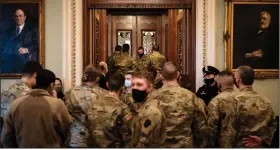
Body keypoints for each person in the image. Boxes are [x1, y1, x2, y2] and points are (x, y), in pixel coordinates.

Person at [1, 69, 72, 148]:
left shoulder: (16, 103)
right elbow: (67, 130)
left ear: (36, 82)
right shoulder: (57, 104)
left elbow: (6, 137)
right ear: (51, 85)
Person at [148, 62, 208, 148]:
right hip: (184, 145)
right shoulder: (191, 96)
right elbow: (201, 127)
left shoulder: (152, 97)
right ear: (178, 75)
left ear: (161, 76)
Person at [233, 65, 277, 148]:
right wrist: (263, 139)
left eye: (235, 77)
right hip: (260, 146)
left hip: (240, 145)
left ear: (238, 79)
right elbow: (273, 124)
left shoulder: (234, 100)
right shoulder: (265, 100)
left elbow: (229, 129)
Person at [87, 72, 132, 148]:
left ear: (107, 84)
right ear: (123, 87)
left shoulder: (93, 104)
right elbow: (128, 136)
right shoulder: (123, 108)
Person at [64, 64, 102, 148]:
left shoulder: (70, 92)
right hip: (95, 139)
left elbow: (66, 116)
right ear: (97, 79)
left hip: (75, 138)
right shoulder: (102, 94)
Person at [0, 61, 43, 135]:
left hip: (5, 135)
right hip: (22, 136)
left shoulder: (5, 91)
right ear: (35, 74)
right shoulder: (30, 94)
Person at [129, 69, 166, 148]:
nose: (134, 88)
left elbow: (144, 143)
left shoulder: (152, 111)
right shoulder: (142, 104)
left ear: (149, 87)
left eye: (139, 85)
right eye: (133, 84)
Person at [0, 9, 39, 73]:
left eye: (20, 16)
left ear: (25, 17)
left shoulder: (32, 29)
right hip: (10, 61)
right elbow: (3, 44)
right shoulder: (9, 30)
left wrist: (26, 49)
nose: (18, 18)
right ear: (13, 18)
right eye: (16, 16)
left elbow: (37, 44)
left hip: (25, 61)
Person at [207, 70, 238, 147]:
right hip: (243, 144)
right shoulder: (243, 98)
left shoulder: (216, 101)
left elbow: (211, 127)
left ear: (219, 84)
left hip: (224, 144)